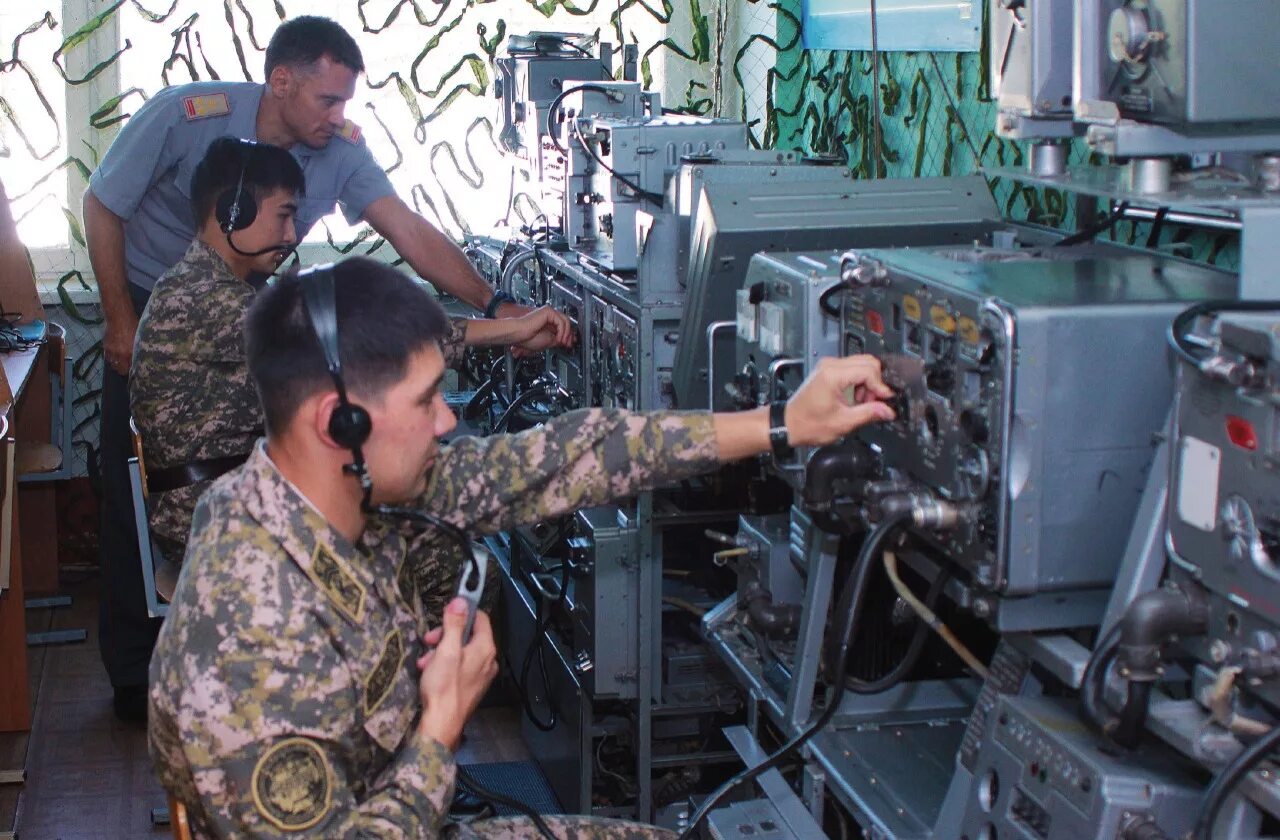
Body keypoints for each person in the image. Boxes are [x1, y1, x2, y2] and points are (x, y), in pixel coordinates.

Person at [147, 256, 896, 837]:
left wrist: (782, 423)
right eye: (424, 400)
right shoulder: (249, 628)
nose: (446, 422)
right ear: (337, 421)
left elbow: (572, 455)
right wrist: (442, 722)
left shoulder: (328, 490)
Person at [85, 15, 565, 717]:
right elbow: (103, 204)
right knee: (426, 534)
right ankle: (403, 714)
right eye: (327, 101)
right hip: (158, 333)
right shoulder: (190, 125)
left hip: (221, 406)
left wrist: (495, 302)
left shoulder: (281, 220)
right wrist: (504, 331)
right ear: (281, 82)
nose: (294, 234)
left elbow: (405, 230)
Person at [130, 137, 571, 566]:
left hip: (223, 499)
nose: (290, 235)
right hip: (219, 521)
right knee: (454, 559)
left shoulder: (197, 285)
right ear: (233, 211)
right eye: (283, 216)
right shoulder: (210, 301)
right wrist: (512, 327)